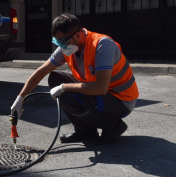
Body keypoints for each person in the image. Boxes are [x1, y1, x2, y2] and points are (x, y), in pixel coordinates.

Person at [11, 14, 139, 145]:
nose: (61, 46)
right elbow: (42, 71)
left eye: (63, 42)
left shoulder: (102, 45)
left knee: (68, 97)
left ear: (78, 35)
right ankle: (85, 131)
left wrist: (64, 87)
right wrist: (20, 98)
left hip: (121, 99)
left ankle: (114, 126)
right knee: (55, 78)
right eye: (58, 42)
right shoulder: (69, 47)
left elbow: (101, 88)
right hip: (102, 94)